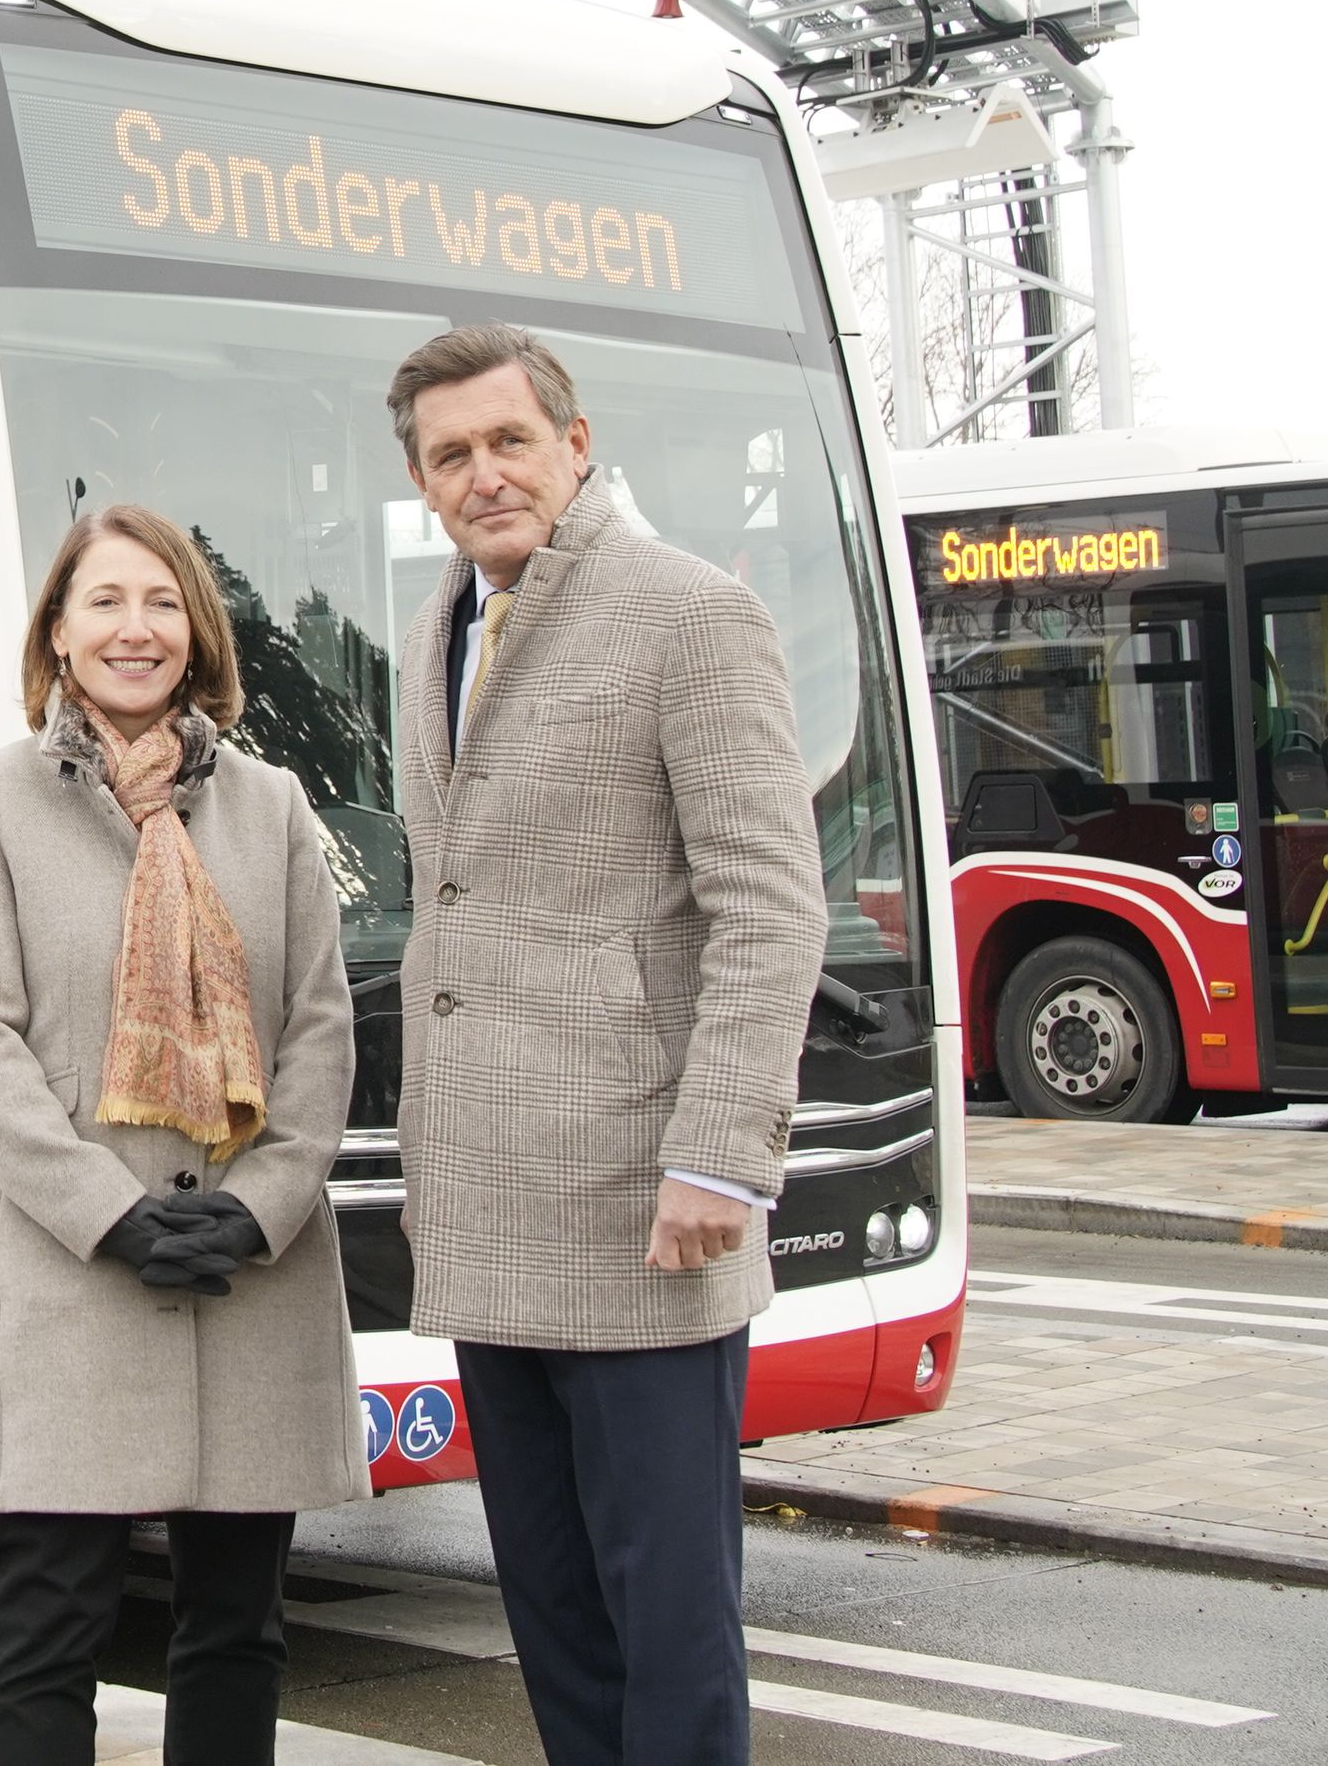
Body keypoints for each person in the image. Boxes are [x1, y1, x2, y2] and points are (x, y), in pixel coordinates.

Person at [387, 323, 825, 1766]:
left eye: (510, 439)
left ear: (576, 444)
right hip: (492, 1202)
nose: (484, 473)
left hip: (649, 1206)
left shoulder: (688, 613)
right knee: (555, 1609)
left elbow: (767, 906)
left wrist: (721, 1150)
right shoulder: (435, 628)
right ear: (422, 479)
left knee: (669, 1616)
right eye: (451, 453)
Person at [0, 502, 364, 1766]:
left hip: (250, 1279)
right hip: (79, 1282)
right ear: (57, 632)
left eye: (162, 602)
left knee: (238, 1631)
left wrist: (259, 1205)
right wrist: (107, 1215)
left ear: (197, 630)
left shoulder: (273, 807)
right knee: (47, 1627)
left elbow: (318, 1032)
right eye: (106, 602)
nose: (136, 628)